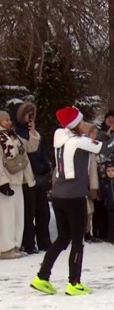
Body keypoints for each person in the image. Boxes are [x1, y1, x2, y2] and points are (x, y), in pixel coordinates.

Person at [30, 106, 114, 295]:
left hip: (59, 195)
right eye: (82, 121)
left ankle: (42, 276)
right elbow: (105, 149)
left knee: (63, 238)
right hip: (74, 197)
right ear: (74, 125)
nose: (86, 124)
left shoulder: (60, 137)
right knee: (78, 241)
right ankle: (74, 282)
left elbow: (93, 142)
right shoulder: (78, 141)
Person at [0, 109, 39, 259]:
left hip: (19, 179)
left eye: (9, 119)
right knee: (6, 216)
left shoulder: (13, 135)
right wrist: (2, 182)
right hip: (7, 181)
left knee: (18, 215)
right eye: (6, 120)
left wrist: (32, 132)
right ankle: (5, 247)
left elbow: (30, 147)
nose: (9, 122)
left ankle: (15, 244)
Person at [13, 101, 51, 255]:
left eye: (32, 114)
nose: (30, 117)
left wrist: (46, 166)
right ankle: (29, 243)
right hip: (27, 177)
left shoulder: (35, 132)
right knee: (28, 213)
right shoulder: (16, 133)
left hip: (40, 175)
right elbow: (29, 151)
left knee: (43, 212)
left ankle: (45, 242)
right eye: (27, 114)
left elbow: (40, 151)